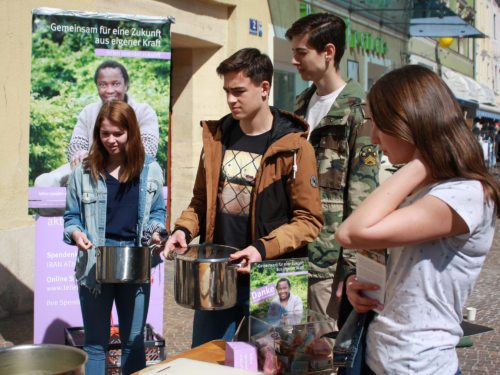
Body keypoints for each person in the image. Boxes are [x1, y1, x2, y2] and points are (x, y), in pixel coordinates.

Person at [334, 65, 499, 375]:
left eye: (380, 124)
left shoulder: (465, 194)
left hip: (418, 365)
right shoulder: (424, 188)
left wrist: (425, 158)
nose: (373, 136)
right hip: (378, 355)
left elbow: (352, 231)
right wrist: (362, 287)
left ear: (410, 124)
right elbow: (403, 270)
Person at [163, 48, 323, 347]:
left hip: (272, 277)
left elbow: (309, 221)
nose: (230, 100)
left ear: (264, 88)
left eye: (238, 91)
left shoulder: (296, 147)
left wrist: (262, 249)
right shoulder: (217, 138)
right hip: (218, 274)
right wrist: (183, 230)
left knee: (271, 363)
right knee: (207, 361)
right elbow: (201, 201)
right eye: (226, 91)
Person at [285, 13, 379, 324]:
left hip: (327, 259)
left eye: (301, 52)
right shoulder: (301, 104)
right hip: (291, 248)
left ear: (328, 52)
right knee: (283, 344)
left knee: (321, 352)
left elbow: (363, 193)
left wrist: (352, 267)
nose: (294, 60)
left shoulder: (359, 110)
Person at [63, 100, 166, 374]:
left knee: (133, 341)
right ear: (97, 133)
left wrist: (156, 232)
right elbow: (71, 217)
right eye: (105, 133)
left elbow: (158, 213)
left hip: (135, 260)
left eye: (118, 133)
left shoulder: (150, 170)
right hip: (95, 262)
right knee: (96, 344)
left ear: (131, 132)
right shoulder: (82, 172)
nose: (111, 140)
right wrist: (76, 234)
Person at [67, 60, 159, 167]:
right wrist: (79, 153)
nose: (109, 90)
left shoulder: (144, 112)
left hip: (131, 169)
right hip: (90, 167)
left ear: (126, 85)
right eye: (103, 85)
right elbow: (76, 144)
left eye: (116, 84)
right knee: (47, 180)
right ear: (97, 86)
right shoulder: (88, 112)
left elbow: (148, 149)